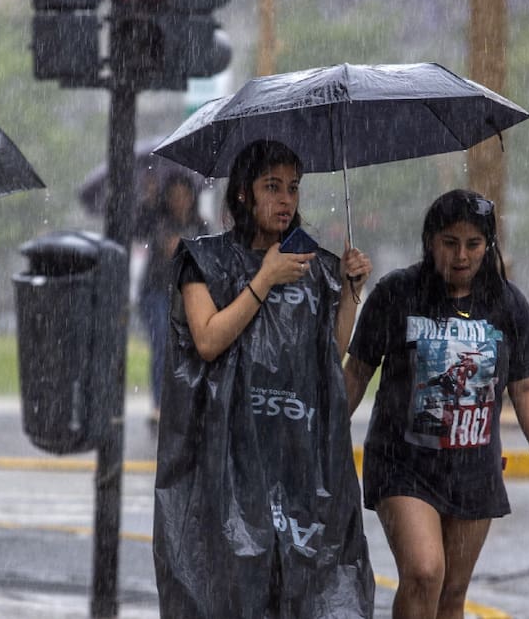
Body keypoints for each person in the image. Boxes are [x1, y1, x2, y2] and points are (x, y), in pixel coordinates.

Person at [153, 139, 377, 617]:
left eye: (293, 188)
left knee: (302, 588)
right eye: (272, 187)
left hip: (296, 459)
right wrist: (266, 278)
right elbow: (208, 340)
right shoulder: (203, 260)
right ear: (244, 194)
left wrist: (349, 294)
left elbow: (327, 358)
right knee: (234, 592)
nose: (285, 200)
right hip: (227, 459)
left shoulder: (312, 267)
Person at [343, 189, 529, 619]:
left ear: (488, 245)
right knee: (424, 572)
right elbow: (357, 372)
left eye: (473, 244)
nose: (461, 256)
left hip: (473, 468)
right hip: (402, 463)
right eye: (450, 243)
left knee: (451, 594)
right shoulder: (397, 293)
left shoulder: (507, 303)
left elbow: (525, 388)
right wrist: (322, 437)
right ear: (430, 241)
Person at [137, 173, 207, 429]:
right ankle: (159, 404)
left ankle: (184, 402)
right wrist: (148, 201)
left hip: (188, 293)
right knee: (162, 344)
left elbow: (207, 259)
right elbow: (137, 230)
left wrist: (185, 251)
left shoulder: (199, 225)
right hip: (156, 292)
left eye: (183, 195)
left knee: (188, 347)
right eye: (174, 196)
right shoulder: (157, 219)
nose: (179, 201)